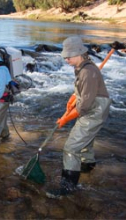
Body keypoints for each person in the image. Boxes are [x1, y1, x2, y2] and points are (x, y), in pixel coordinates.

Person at [46, 36, 112, 199]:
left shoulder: (87, 72)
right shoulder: (81, 67)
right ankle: (88, 164)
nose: (66, 59)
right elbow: (80, 93)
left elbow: (84, 107)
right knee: (85, 138)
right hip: (93, 105)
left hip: (95, 110)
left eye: (68, 56)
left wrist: (65, 119)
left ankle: (68, 187)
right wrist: (71, 100)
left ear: (79, 53)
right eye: (65, 56)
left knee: (71, 147)